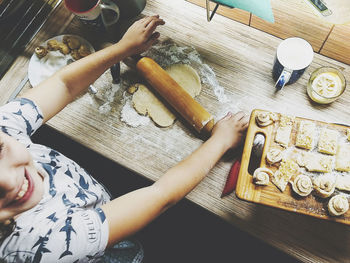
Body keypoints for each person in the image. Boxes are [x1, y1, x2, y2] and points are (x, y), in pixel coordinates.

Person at [0, 15, 248, 262]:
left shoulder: (4, 129)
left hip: (91, 205)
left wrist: (123, 47)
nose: (9, 181)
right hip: (92, 248)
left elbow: (65, 84)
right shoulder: (45, 246)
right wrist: (221, 141)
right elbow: (160, 196)